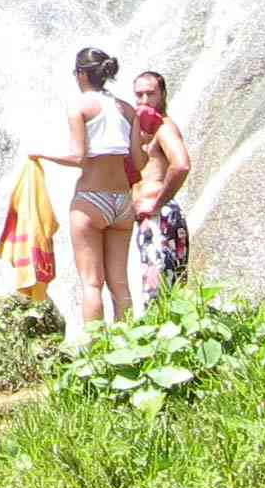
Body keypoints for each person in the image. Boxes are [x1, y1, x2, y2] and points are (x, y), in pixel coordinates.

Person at [28, 46, 142, 327]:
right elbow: (139, 162)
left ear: (81, 74)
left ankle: (95, 351)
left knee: (92, 283)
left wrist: (41, 154)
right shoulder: (128, 110)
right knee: (120, 284)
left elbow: (77, 156)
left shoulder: (78, 106)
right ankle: (131, 345)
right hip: (123, 202)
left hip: (92, 200)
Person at [131, 69, 193, 303]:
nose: (145, 100)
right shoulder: (142, 131)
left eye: (151, 94)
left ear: (163, 95)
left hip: (160, 216)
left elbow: (181, 165)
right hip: (150, 217)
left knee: (159, 289)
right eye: (139, 95)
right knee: (159, 286)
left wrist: (157, 204)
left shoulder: (164, 127)